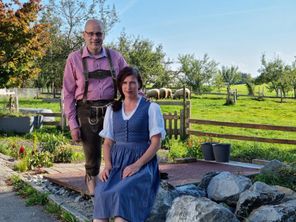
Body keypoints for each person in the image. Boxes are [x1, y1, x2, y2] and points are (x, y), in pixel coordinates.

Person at [63, 19, 127, 196]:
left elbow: (130, 81)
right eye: (90, 33)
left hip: (112, 110)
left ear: (103, 35)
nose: (94, 38)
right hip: (86, 111)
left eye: (98, 33)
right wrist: (73, 124)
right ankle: (94, 196)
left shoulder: (116, 57)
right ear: (84, 35)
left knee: (116, 154)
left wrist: (143, 104)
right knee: (92, 159)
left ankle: (113, 192)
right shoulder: (74, 59)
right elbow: (68, 93)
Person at [93, 67, 166, 222]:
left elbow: (156, 143)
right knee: (101, 192)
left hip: (142, 163)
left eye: (132, 82)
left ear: (139, 84)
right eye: (124, 83)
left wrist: (137, 165)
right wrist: (107, 165)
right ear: (120, 85)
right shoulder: (112, 109)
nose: (128, 87)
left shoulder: (151, 108)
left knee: (122, 193)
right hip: (117, 163)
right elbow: (107, 143)